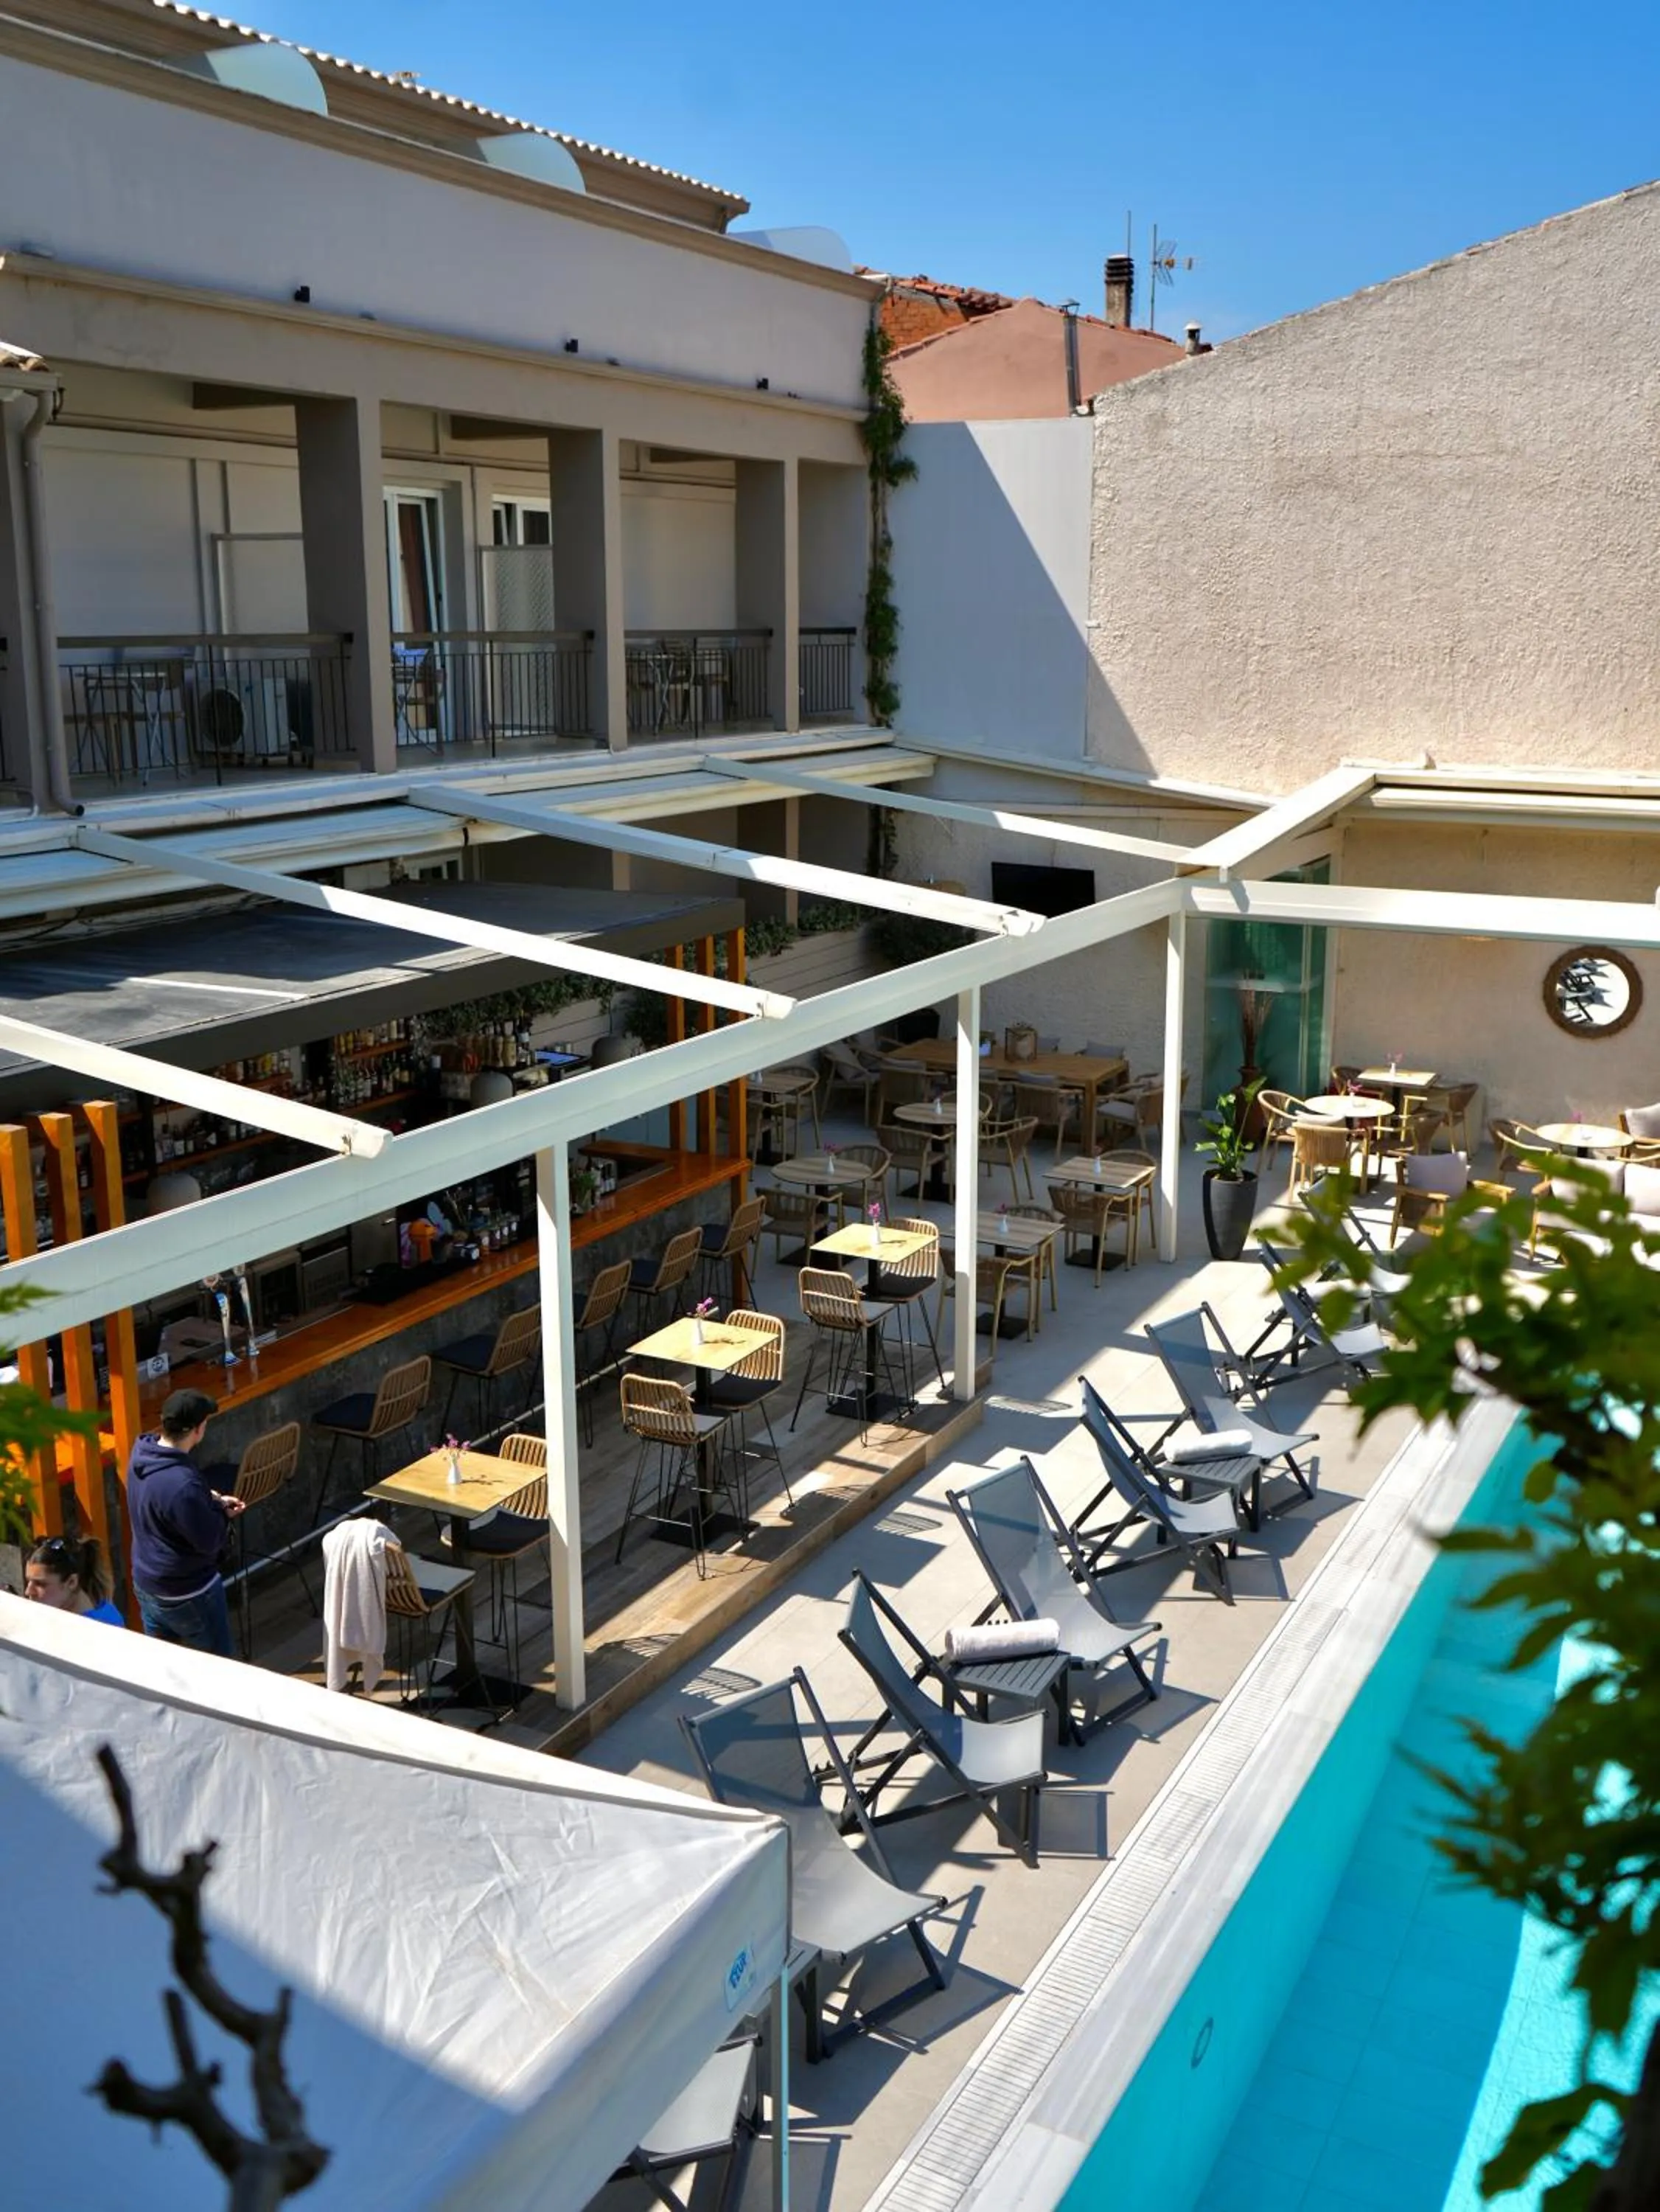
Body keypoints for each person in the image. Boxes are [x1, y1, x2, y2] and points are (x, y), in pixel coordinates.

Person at [126, 1388, 244, 1658]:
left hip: (147, 1584)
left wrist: (209, 1499)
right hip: (189, 1592)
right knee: (220, 1669)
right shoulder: (182, 1484)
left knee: (166, 1671)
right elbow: (209, 1540)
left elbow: (164, 1502)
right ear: (198, 1429)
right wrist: (223, 1514)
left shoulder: (141, 1454)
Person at [24, 1533, 125, 1624]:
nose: (28, 1592)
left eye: (41, 1584)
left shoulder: (96, 1629)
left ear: (72, 1582)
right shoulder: (104, 1611)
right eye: (29, 1581)